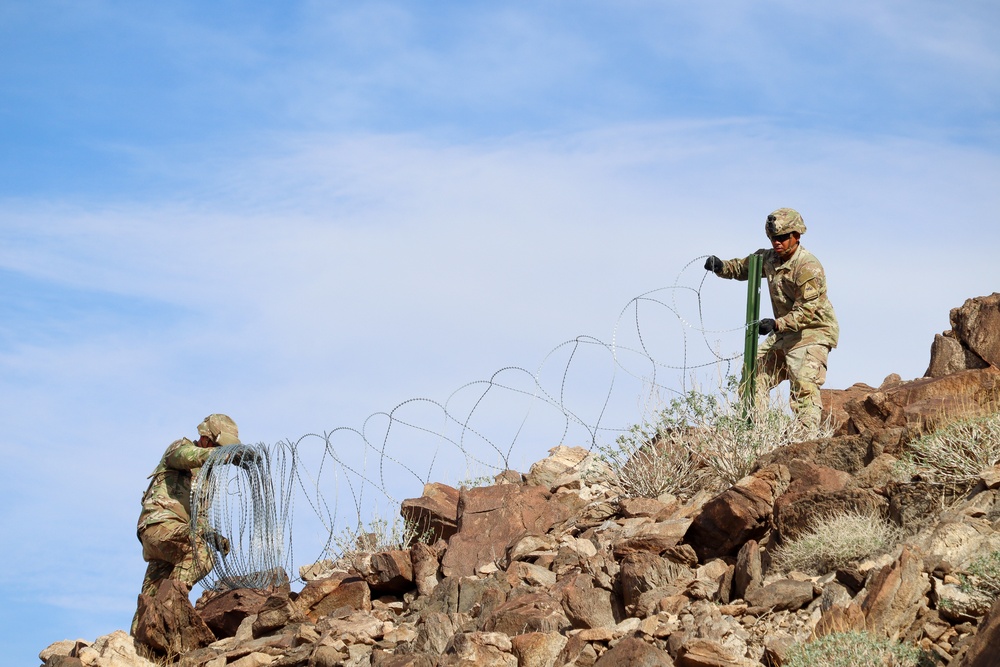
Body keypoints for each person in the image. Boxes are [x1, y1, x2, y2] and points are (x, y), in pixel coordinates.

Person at [704, 208, 839, 430]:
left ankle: (805, 439)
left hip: (812, 332)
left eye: (783, 238)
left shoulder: (808, 267)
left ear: (797, 235)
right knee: (753, 372)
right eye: (774, 238)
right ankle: (755, 431)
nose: (778, 242)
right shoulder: (769, 259)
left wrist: (777, 324)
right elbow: (743, 267)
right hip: (784, 332)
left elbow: (807, 311)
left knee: (803, 385)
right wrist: (721, 267)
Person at [131, 414, 239, 634]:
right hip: (159, 526)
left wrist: (213, 535)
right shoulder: (180, 448)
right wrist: (220, 454)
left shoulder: (205, 479)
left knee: (152, 593)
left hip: (175, 539)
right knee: (202, 553)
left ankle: (141, 644)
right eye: (217, 446)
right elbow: (187, 456)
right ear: (207, 438)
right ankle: (169, 614)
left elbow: (198, 520)